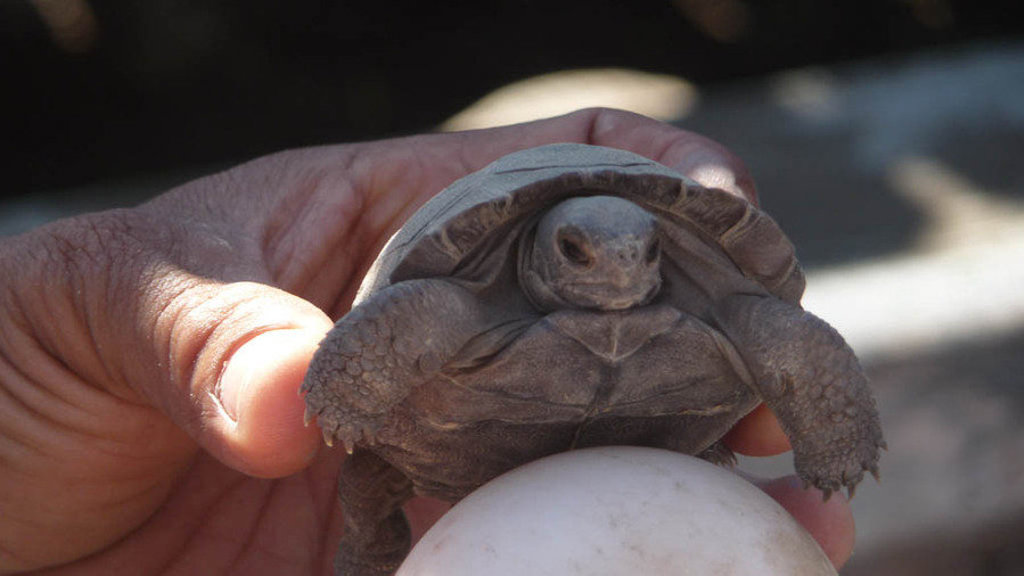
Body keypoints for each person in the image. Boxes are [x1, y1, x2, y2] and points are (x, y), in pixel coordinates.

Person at [0, 108, 855, 575]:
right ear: (540, 248)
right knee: (373, 478)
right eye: (581, 255)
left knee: (776, 348)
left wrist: (835, 430)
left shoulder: (705, 285)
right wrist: (337, 396)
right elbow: (409, 322)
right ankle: (372, 551)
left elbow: (778, 327)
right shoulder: (454, 301)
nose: (620, 271)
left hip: (662, 443)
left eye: (645, 252)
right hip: (455, 446)